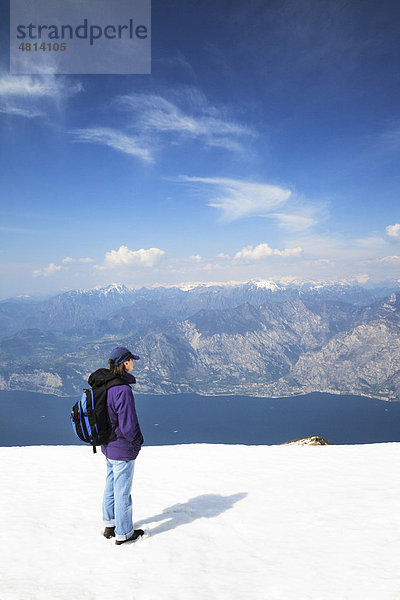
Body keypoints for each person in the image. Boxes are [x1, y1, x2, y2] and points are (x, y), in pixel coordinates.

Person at [90, 346, 144, 545]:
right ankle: (124, 533)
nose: (133, 363)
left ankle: (109, 524)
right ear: (124, 363)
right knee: (123, 492)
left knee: (111, 486)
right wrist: (138, 442)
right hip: (122, 448)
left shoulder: (105, 385)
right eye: (131, 360)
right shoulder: (122, 390)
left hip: (108, 446)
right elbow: (128, 426)